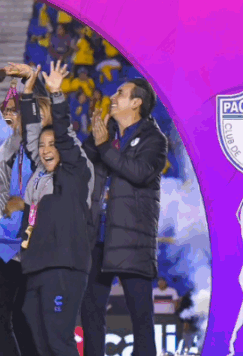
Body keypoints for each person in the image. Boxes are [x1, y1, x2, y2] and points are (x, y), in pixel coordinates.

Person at [10, 62, 94, 356]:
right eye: (43, 145)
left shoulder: (75, 172)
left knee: (59, 341)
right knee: (42, 345)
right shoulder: (39, 175)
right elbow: (33, 138)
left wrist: (56, 95)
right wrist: (28, 95)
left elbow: (66, 141)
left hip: (63, 265)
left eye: (52, 144)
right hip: (36, 267)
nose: (46, 149)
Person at [79, 79, 166, 356]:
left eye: (120, 93)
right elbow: (82, 163)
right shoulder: (108, 134)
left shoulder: (154, 139)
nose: (113, 97)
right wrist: (94, 138)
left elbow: (139, 172)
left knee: (141, 318)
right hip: (98, 236)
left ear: (136, 102)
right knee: (90, 312)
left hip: (131, 238)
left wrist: (104, 146)